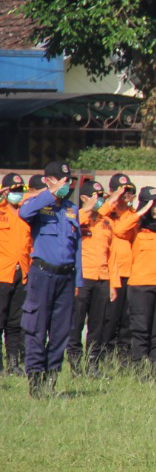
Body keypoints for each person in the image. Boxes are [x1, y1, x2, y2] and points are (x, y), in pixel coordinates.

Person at [17, 161, 82, 396]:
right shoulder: (38, 206)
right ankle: (35, 382)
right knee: (36, 327)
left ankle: (51, 379)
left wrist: (78, 281)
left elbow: (77, 247)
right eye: (61, 180)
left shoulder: (71, 209)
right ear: (49, 180)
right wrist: (50, 193)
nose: (66, 184)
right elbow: (24, 212)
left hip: (66, 277)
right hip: (42, 274)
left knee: (61, 331)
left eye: (68, 180)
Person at [112, 185, 156, 378]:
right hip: (141, 286)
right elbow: (119, 230)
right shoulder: (136, 226)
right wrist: (141, 212)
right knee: (141, 330)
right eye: (153, 205)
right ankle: (140, 368)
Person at [68, 179, 109, 372]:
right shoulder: (75, 215)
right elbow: (71, 225)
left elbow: (112, 253)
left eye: (101, 196)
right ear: (84, 198)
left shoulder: (105, 221)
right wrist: (86, 209)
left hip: (102, 278)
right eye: (95, 196)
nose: (99, 200)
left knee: (97, 324)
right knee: (77, 322)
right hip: (82, 277)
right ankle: (74, 362)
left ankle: (93, 362)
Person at [103, 172, 137, 361]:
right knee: (110, 318)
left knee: (126, 319)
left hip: (129, 272)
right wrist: (111, 200)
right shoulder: (108, 212)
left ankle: (123, 357)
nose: (126, 194)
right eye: (122, 190)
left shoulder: (133, 215)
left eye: (129, 190)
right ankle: (105, 354)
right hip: (110, 273)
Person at [0, 172, 31, 375]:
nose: (18, 194)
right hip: (2, 274)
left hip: (22, 274)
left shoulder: (25, 213)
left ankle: (12, 363)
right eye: (14, 190)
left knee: (15, 322)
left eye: (21, 190)